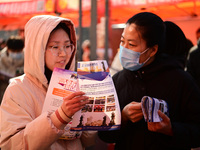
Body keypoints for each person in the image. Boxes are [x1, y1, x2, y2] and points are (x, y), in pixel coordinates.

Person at [98, 12, 200, 150]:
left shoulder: (181, 81)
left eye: (132, 44)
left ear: (152, 50)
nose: (124, 49)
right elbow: (104, 135)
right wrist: (123, 117)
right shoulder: (117, 80)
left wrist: (170, 129)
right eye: (122, 41)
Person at [0, 15, 97, 150]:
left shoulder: (75, 83)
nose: (63, 53)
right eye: (55, 47)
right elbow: (13, 145)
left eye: (68, 46)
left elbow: (88, 141)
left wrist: (90, 116)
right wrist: (59, 117)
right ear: (37, 50)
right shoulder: (18, 89)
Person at [0, 35, 24, 103]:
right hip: (3, 92)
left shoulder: (27, 58)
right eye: (13, 51)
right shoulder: (1, 59)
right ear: (7, 48)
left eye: (18, 51)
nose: (16, 53)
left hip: (21, 94)